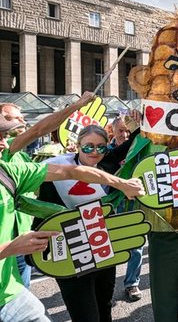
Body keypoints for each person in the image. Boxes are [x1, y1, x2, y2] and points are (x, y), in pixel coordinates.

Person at [0, 119, 144, 322]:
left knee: (104, 307)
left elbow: (136, 141)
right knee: (86, 315)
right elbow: (43, 208)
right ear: (77, 146)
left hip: (102, 246)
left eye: (100, 147)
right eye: (88, 146)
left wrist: (140, 119)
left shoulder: (109, 164)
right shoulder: (56, 167)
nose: (94, 151)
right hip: (68, 251)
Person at [1, 92, 96, 288]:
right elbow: (38, 130)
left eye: (21, 117)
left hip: (21, 238)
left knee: (18, 295)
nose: (21, 121)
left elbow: (66, 171)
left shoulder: (17, 154)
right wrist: (77, 105)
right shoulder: (8, 150)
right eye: (13, 118)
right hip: (7, 243)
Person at [108, 116, 144, 302]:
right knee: (109, 246)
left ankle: (132, 283)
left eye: (127, 130)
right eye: (120, 130)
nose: (124, 134)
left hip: (133, 204)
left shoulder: (138, 149)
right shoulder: (104, 151)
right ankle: (106, 285)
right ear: (112, 131)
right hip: (110, 205)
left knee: (136, 245)